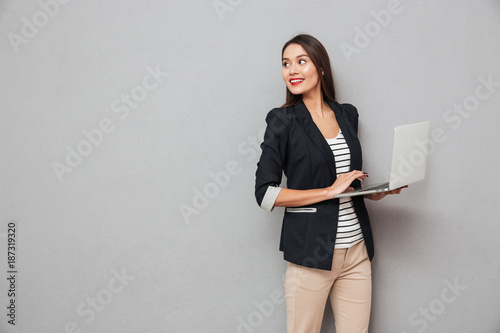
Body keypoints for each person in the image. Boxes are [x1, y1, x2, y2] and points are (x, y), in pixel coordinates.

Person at [254, 34, 406, 333]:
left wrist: (373, 193)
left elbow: (345, 180)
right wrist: (328, 191)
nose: (292, 70)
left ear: (321, 68)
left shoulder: (347, 114)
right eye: (286, 64)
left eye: (301, 61)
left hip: (357, 251)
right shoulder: (282, 121)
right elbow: (265, 194)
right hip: (311, 254)